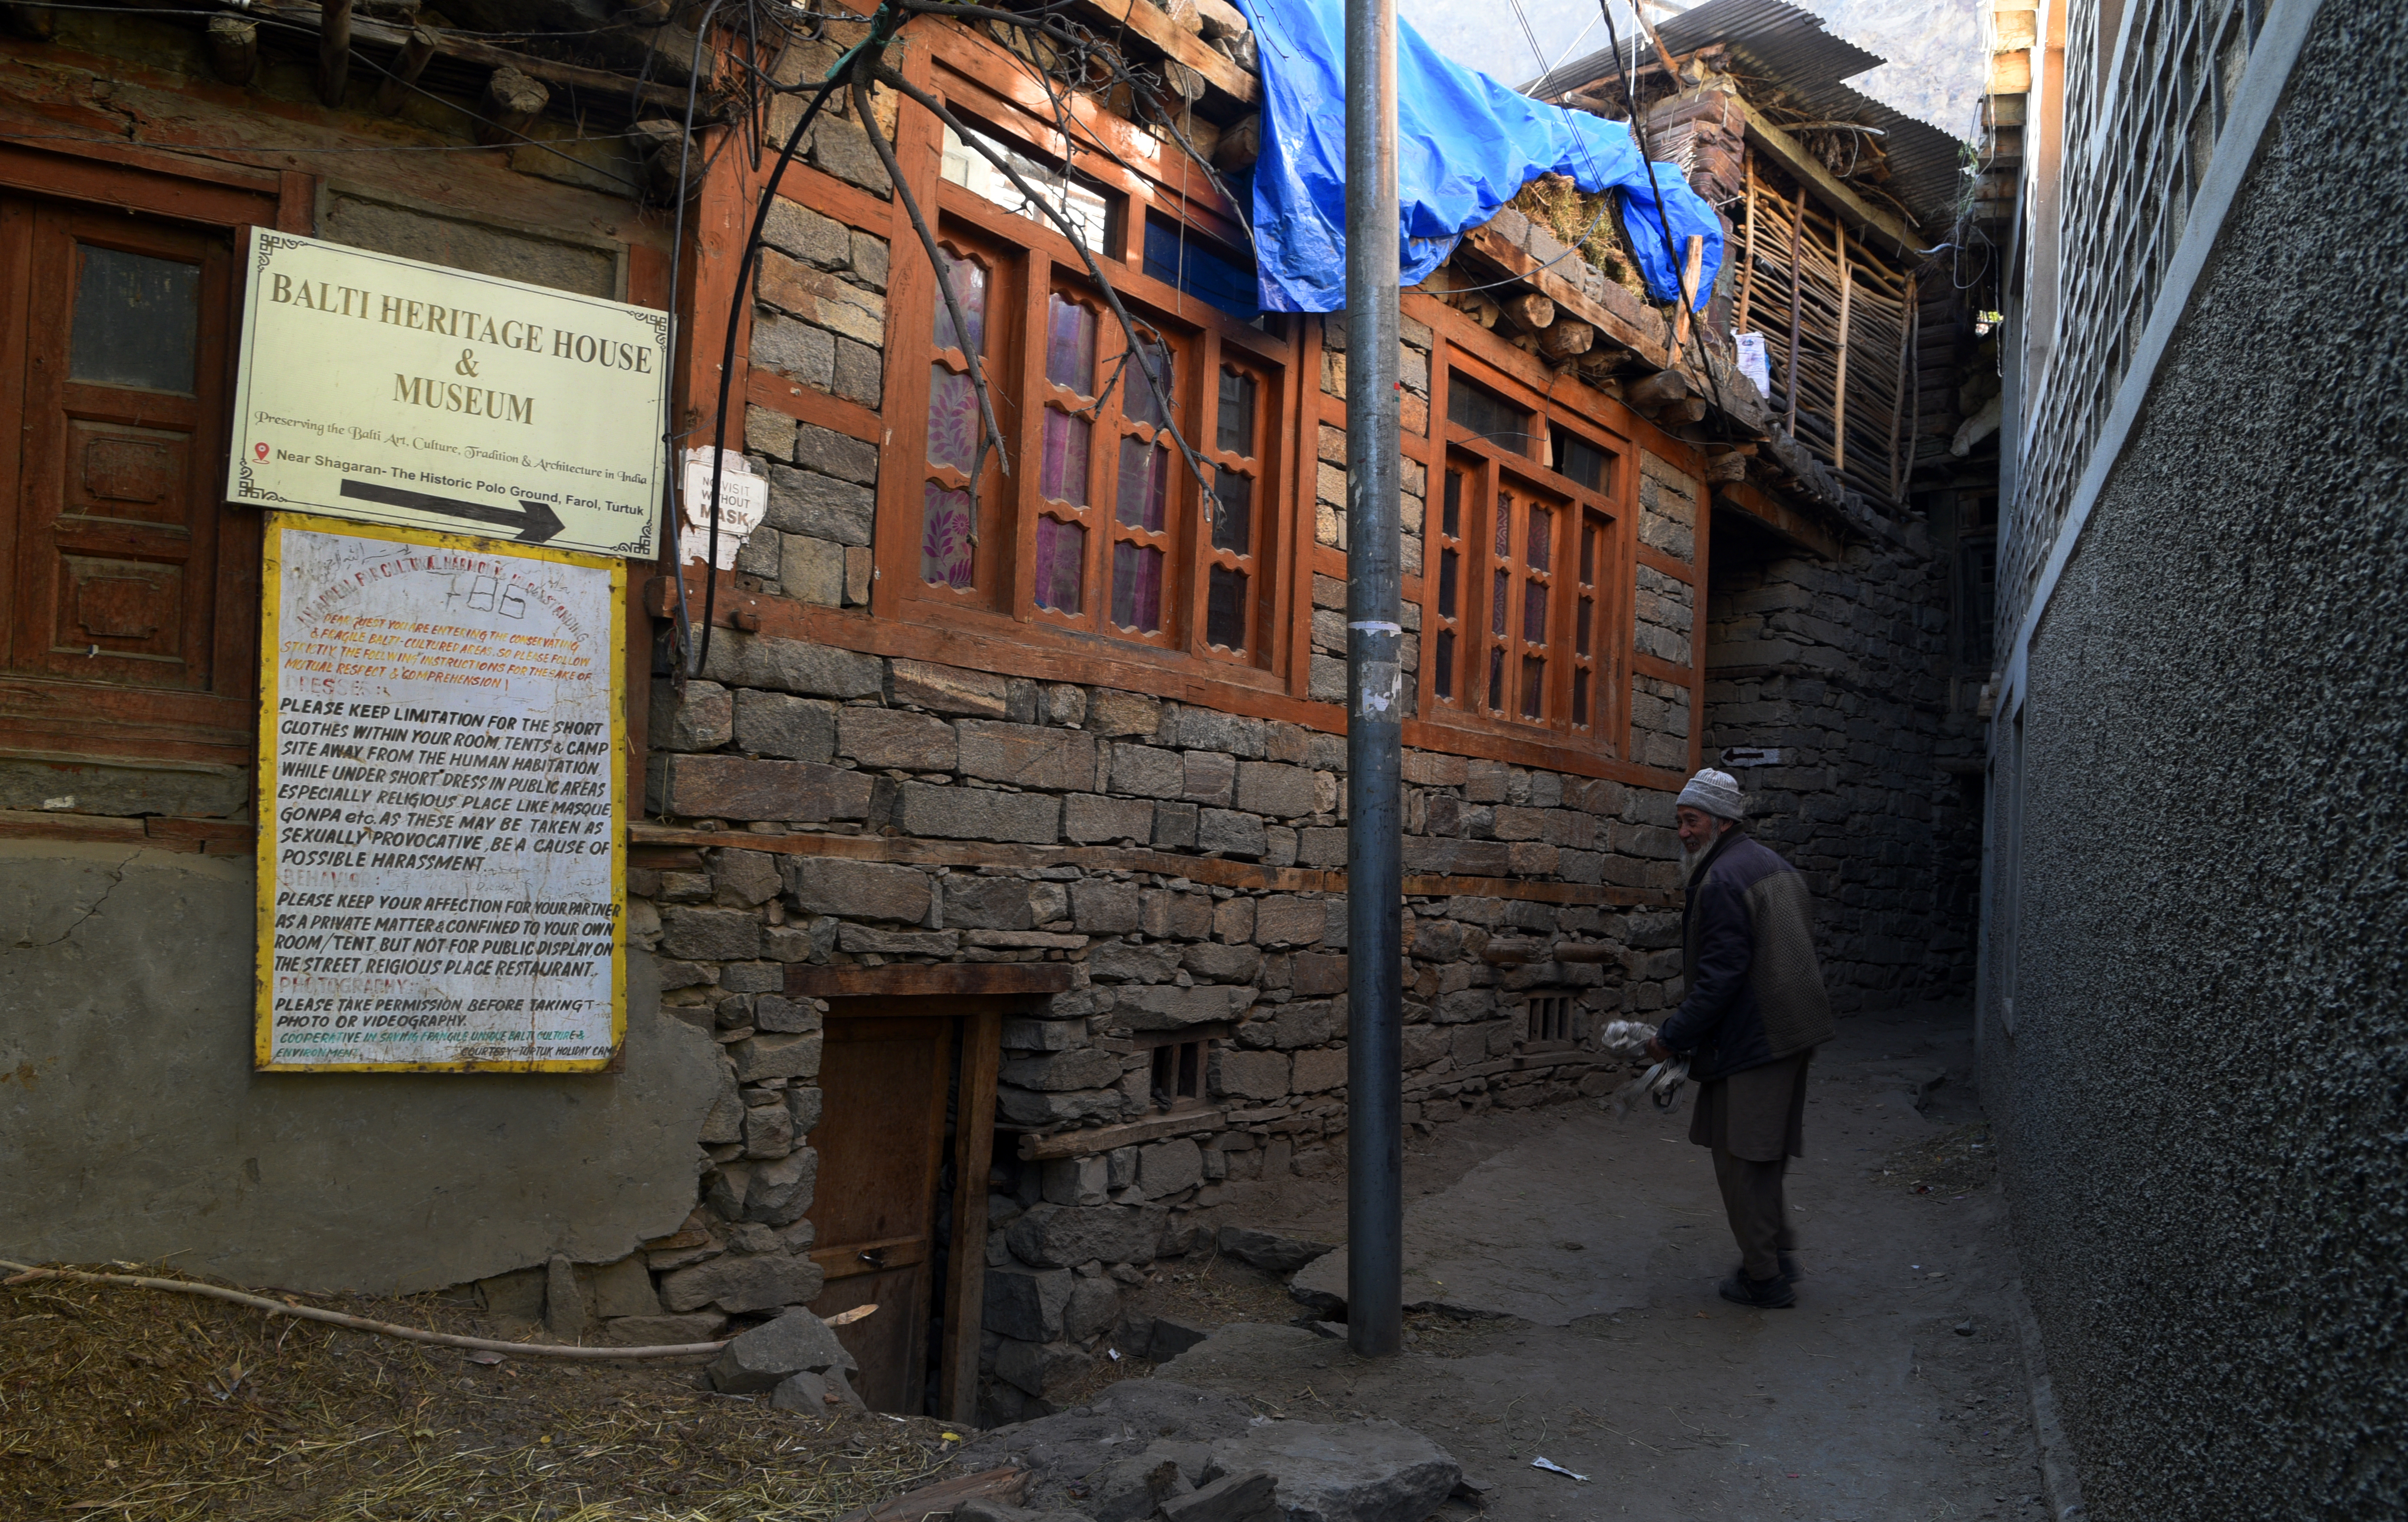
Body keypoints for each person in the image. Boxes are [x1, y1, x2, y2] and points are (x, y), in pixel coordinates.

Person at [1646, 767, 1835, 1309]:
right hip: (1789, 1033)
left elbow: (1722, 976)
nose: (1683, 832)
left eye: (1692, 820)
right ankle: (1778, 1252)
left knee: (1741, 1160)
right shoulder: (1773, 866)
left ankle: (1765, 1279)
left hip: (1757, 1038)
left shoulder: (1723, 880)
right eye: (1680, 821)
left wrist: (1671, 1036)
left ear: (1723, 822)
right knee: (1763, 1153)